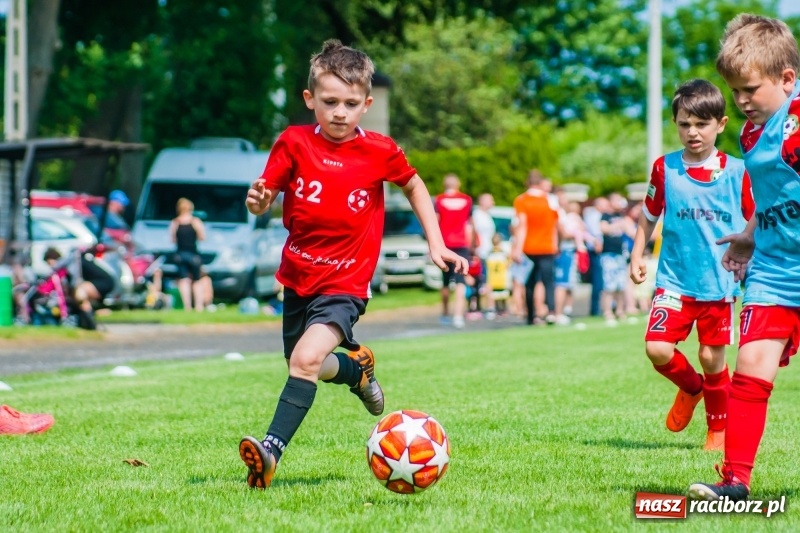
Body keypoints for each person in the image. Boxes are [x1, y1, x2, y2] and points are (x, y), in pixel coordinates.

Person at [238, 39, 468, 490]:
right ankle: (357, 371)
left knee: (305, 359)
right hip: (299, 276)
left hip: (346, 281)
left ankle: (270, 453)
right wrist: (257, 202)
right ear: (310, 100)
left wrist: (436, 243)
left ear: (366, 104)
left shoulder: (379, 150)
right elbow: (263, 200)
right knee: (302, 364)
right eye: (329, 102)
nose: (339, 112)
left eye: (349, 103)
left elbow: (416, 186)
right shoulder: (293, 142)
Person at [687, 14, 800, 502]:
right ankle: (735, 484)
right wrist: (749, 236)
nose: (741, 101)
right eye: (734, 91)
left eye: (750, 89)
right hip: (774, 270)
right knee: (750, 370)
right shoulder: (753, 133)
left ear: (787, 79)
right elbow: (775, 193)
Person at [629, 79, 754, 454]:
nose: (692, 132)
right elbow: (649, 215)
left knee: (711, 357)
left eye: (701, 124)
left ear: (721, 123)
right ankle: (691, 388)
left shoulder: (738, 172)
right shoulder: (664, 168)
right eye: (685, 124)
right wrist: (638, 254)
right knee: (657, 349)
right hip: (674, 281)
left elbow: (754, 222)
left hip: (719, 282)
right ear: (676, 124)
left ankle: (718, 429)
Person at [512, 169, 560, 326]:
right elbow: (555, 225)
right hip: (547, 246)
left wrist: (517, 248)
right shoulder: (551, 199)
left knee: (530, 283)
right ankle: (551, 312)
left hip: (529, 247)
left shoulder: (521, 200)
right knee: (548, 282)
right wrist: (555, 244)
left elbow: (522, 225)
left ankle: (531, 315)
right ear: (541, 183)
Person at [435, 174, 473, 329]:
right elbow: (469, 225)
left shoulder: (439, 200)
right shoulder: (467, 200)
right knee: (460, 281)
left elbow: (436, 222)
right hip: (461, 244)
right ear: (458, 184)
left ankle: (445, 313)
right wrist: (471, 246)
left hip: (444, 244)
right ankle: (458, 315)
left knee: (445, 281)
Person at [599, 192, 633, 326]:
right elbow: (604, 229)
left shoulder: (622, 216)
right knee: (609, 285)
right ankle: (607, 311)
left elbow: (631, 232)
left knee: (621, 284)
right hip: (609, 254)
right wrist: (618, 225)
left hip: (620, 254)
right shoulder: (606, 216)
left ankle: (620, 310)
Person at [169, 198, 206, 312]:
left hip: (180, 255)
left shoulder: (175, 222)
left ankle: (187, 306)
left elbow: (173, 240)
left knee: (183, 280)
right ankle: (199, 306)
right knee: (197, 280)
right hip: (193, 255)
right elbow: (202, 237)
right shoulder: (195, 221)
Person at [472, 193, 497, 318]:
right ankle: (487, 307)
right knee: (484, 280)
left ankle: (487, 307)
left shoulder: (487, 216)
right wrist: (475, 249)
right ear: (482, 201)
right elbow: (473, 233)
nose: (493, 202)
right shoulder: (477, 215)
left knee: (486, 280)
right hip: (480, 252)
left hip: (488, 252)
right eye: (490, 200)